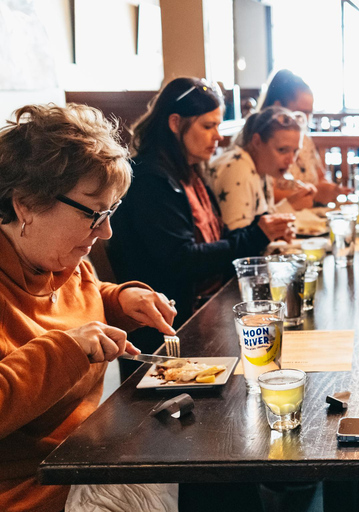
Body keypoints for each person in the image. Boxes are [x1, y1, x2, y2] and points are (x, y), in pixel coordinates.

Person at [0, 103, 176, 511]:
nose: (107, 230)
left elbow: (77, 301)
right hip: (29, 490)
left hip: (86, 459)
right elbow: (57, 338)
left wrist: (119, 302)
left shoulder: (61, 258)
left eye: (111, 212)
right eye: (95, 214)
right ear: (26, 204)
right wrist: (67, 349)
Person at [109, 77, 290, 378]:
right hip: (170, 333)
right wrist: (257, 234)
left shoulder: (190, 172)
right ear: (175, 122)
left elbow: (215, 241)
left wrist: (261, 232)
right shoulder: (150, 180)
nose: (218, 136)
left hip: (202, 313)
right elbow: (183, 260)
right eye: (208, 126)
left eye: (218, 126)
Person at [209, 106, 317, 230]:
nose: (291, 160)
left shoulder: (264, 169)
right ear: (257, 142)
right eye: (282, 150)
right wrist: (290, 205)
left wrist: (290, 205)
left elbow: (259, 228)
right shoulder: (237, 168)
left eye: (295, 151)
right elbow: (239, 241)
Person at [259, 69, 352, 203]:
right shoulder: (263, 142)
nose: (306, 119)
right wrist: (313, 195)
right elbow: (266, 195)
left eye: (310, 113)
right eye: (301, 112)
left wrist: (331, 190)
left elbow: (320, 177)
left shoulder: (305, 139)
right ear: (278, 106)